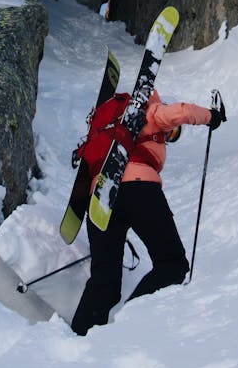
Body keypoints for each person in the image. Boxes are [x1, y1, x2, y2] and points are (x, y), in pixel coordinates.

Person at [71, 89, 224, 336]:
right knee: (172, 264)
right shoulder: (148, 110)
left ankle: (78, 339)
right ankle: (128, 326)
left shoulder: (107, 124)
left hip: (100, 196)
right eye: (170, 134)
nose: (168, 136)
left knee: (105, 281)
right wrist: (211, 116)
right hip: (138, 188)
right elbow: (180, 112)